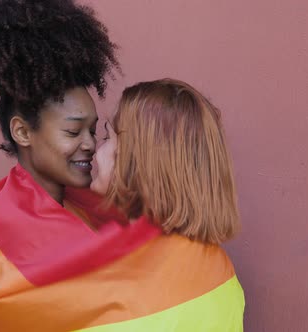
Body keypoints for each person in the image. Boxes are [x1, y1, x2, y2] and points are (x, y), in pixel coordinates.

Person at [0, 0, 162, 331]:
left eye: (92, 130)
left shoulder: (105, 211)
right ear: (23, 131)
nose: (89, 143)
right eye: (73, 131)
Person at [88, 78, 245, 331]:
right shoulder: (220, 267)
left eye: (108, 137)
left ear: (135, 161)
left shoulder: (119, 301)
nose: (95, 152)